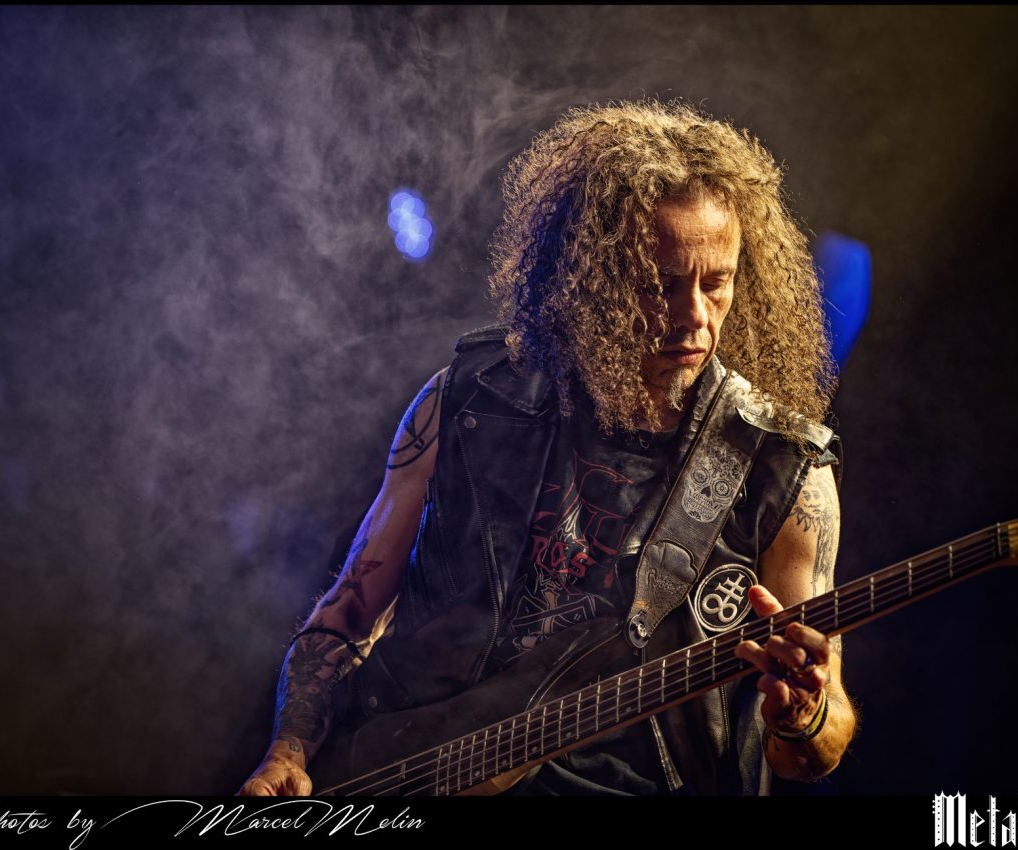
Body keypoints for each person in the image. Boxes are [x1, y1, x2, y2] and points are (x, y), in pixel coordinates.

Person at [239, 100, 857, 797]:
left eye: (717, 283)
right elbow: (350, 614)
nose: (695, 316)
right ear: (593, 279)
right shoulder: (468, 400)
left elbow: (815, 745)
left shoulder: (783, 470)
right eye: (660, 285)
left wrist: (802, 717)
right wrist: (288, 751)